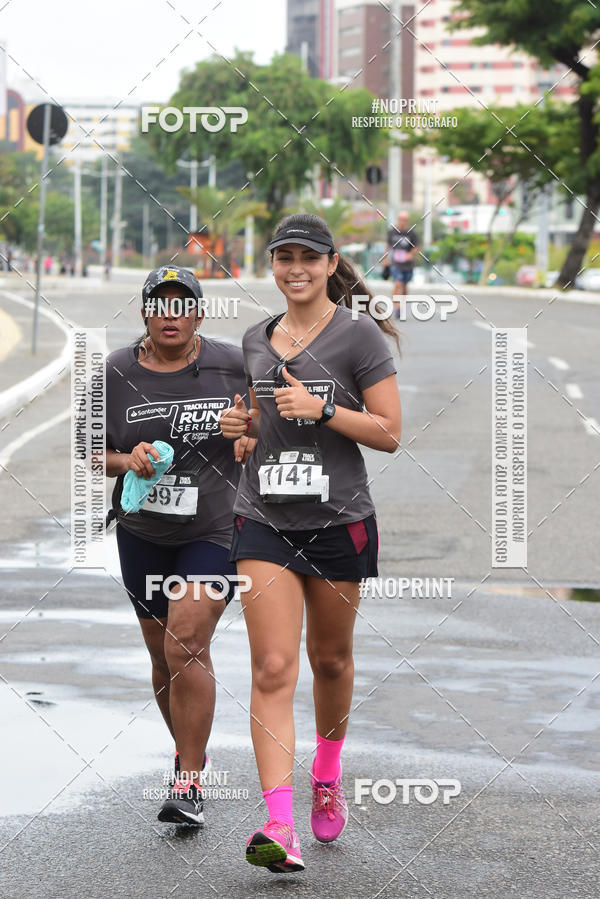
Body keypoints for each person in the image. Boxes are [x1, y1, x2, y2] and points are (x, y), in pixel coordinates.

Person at [220, 213, 402, 873]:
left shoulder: (359, 340)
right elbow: (255, 429)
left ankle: (326, 772)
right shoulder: (255, 339)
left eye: (308, 257)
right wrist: (241, 426)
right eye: (283, 257)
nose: (295, 268)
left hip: (338, 522)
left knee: (330, 661)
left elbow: (388, 431)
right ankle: (278, 822)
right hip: (261, 519)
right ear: (273, 264)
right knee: (272, 667)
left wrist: (324, 410)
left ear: (330, 264)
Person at [105, 265, 255, 826]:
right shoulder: (116, 371)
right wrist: (128, 458)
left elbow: (268, 426)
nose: (171, 317)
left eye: (182, 305)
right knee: (160, 653)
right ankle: (187, 751)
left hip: (215, 527)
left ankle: (189, 783)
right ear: (145, 312)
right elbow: (89, 452)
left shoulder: (233, 364)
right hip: (143, 532)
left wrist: (249, 432)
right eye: (159, 306)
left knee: (185, 641)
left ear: (198, 313)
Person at [386, 211, 420, 317]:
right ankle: (397, 307)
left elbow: (417, 246)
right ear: (397, 220)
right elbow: (387, 246)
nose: (402, 222)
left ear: (407, 221)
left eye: (405, 220)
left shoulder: (411, 233)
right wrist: (385, 259)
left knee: (404, 286)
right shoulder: (392, 232)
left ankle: (401, 305)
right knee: (397, 283)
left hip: (407, 264)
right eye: (401, 219)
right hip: (396, 263)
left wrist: (410, 254)